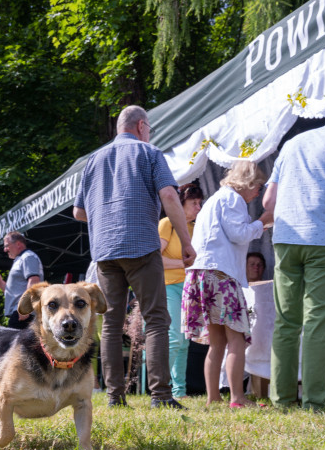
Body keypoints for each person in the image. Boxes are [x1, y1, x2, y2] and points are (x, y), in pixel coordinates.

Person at [73, 104, 196, 409]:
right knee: (156, 319)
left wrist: (108, 219)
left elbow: (79, 212)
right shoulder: (150, 153)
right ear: (141, 126)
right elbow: (169, 195)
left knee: (111, 324)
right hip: (141, 244)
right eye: (149, 128)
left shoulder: (93, 160)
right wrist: (185, 240)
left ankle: (115, 396)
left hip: (105, 250)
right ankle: (162, 396)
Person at [263, 115, 325, 411]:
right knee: (318, 324)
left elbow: (267, 202)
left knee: (286, 322)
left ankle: (282, 401)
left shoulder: (291, 144)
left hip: (287, 237)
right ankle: (314, 403)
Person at [182, 161, 273, 408]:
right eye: (258, 186)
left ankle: (213, 398)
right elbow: (240, 234)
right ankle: (237, 398)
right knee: (237, 338)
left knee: (217, 341)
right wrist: (262, 222)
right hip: (220, 274)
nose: (258, 193)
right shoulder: (233, 199)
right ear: (248, 182)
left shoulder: (214, 200)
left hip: (203, 274)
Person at [159, 183, 204, 398]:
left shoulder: (198, 228)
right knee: (175, 338)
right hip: (168, 286)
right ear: (180, 204)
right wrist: (185, 264)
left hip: (189, 288)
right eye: (194, 203)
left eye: (200, 203)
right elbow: (155, 260)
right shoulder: (167, 224)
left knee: (184, 341)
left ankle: (179, 391)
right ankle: (161, 389)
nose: (199, 207)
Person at [0, 232, 43, 329]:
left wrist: (25, 307)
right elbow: (14, 293)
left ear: (18, 244)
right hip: (20, 314)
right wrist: (0, 283)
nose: (5, 250)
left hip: (24, 314)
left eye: (6, 246)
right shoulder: (20, 259)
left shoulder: (28, 257)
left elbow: (34, 281)